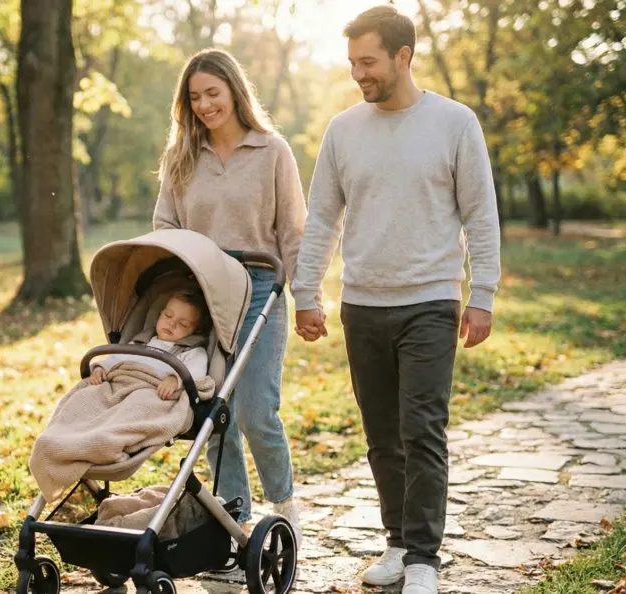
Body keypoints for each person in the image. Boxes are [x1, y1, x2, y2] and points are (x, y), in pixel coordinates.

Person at [291, 6, 501, 594]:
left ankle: (425, 561)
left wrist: (480, 294)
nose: (359, 73)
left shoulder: (455, 123)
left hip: (432, 300)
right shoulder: (342, 130)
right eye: (353, 62)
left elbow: (481, 216)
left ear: (403, 57)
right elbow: (323, 219)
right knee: (382, 434)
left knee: (422, 429)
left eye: (369, 61)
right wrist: (306, 292)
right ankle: (399, 543)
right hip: (362, 303)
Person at [153, 48, 312, 532]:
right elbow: (165, 224)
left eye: (212, 93)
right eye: (194, 97)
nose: (203, 105)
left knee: (256, 411)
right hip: (202, 290)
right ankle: (234, 517)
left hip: (260, 284)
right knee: (214, 411)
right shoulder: (182, 155)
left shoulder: (271, 151)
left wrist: (309, 299)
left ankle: (284, 506)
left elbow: (294, 232)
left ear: (235, 92)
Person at [89, 290, 212, 400]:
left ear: (195, 331)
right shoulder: (140, 342)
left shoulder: (192, 351)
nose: (171, 323)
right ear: (159, 315)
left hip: (153, 394)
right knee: (89, 393)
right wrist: (101, 368)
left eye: (183, 324)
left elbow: (196, 374)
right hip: (123, 385)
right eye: (168, 316)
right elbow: (115, 359)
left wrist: (175, 380)